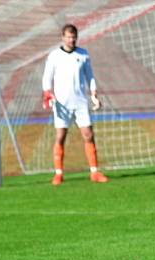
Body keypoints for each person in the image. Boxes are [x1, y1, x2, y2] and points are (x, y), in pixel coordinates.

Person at [42, 24, 108, 186]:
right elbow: (46, 78)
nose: (71, 40)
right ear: (62, 37)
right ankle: (58, 174)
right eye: (68, 37)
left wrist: (93, 93)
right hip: (62, 104)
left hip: (80, 102)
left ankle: (94, 172)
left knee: (88, 135)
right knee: (60, 136)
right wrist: (48, 93)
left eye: (74, 37)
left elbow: (90, 76)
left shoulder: (83, 54)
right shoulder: (54, 56)